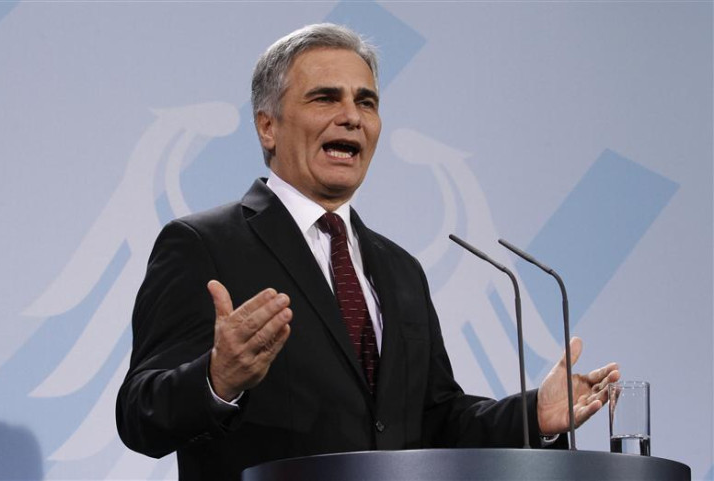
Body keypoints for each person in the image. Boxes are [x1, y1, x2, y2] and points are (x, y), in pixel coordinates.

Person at [116, 23, 620, 481]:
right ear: (267, 126)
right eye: (325, 98)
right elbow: (139, 416)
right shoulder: (204, 244)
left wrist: (532, 415)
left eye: (367, 102)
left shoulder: (400, 269)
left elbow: (435, 420)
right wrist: (215, 379)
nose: (352, 117)